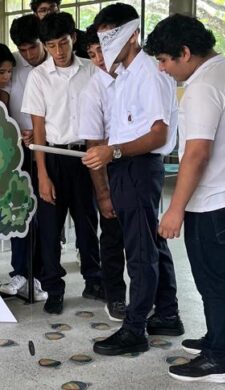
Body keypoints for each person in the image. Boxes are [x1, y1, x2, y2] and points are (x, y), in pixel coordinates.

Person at [145, 14, 225, 383]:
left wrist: (175, 209)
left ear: (184, 53)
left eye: (165, 59)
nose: (163, 67)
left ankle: (218, 359)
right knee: (223, 279)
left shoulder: (203, 86)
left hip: (213, 202)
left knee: (213, 281)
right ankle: (220, 339)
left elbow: (197, 153)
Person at [83, 3, 183, 357]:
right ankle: (167, 314)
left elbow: (159, 135)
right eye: (101, 37)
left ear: (133, 33)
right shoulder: (123, 74)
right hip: (125, 166)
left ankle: (135, 328)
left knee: (140, 252)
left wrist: (115, 152)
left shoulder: (148, 73)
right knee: (149, 243)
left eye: (112, 36)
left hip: (139, 167)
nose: (105, 45)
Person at [21, 12, 102, 315]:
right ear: (45, 45)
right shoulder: (38, 77)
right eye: (52, 45)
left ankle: (94, 280)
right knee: (50, 229)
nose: (59, 51)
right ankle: (54, 287)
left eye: (64, 43)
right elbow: (38, 129)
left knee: (87, 223)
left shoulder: (92, 72)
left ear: (74, 39)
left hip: (85, 157)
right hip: (52, 156)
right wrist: (42, 174)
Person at [78, 25, 126, 322]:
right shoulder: (93, 90)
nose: (97, 59)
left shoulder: (137, 77)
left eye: (101, 51)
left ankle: (162, 302)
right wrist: (103, 193)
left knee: (148, 240)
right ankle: (116, 297)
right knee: (111, 236)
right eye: (91, 54)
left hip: (140, 168)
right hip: (109, 169)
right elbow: (94, 146)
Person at [0, 14, 48, 302]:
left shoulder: (54, 65)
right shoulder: (12, 66)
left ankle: (41, 275)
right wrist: (16, 132)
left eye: (33, 48)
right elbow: (2, 105)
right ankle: (21, 272)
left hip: (49, 148)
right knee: (20, 213)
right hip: (18, 152)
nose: (28, 55)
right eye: (23, 49)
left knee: (45, 215)